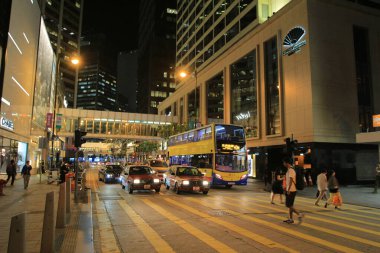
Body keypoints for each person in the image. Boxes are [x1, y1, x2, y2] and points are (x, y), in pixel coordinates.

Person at [283, 157, 304, 224]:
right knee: (290, 205)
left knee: (288, 205)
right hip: (290, 189)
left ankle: (299, 214)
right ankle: (291, 219)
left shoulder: (291, 170)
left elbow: (291, 180)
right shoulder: (289, 170)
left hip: (291, 190)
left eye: (284, 162)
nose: (283, 164)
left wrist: (288, 189)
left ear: (287, 163)